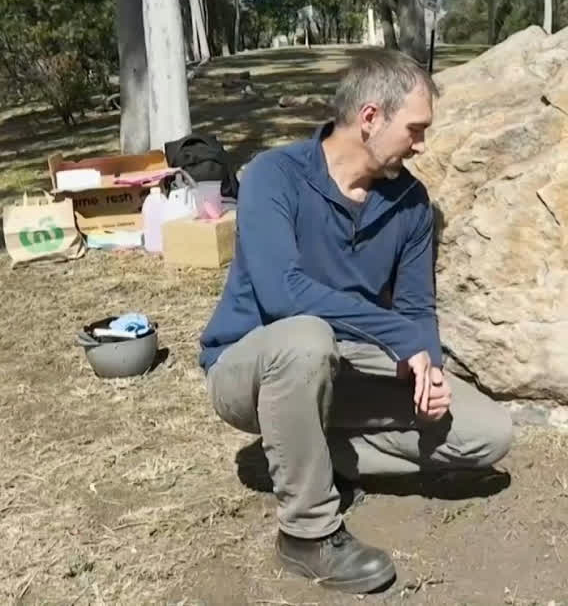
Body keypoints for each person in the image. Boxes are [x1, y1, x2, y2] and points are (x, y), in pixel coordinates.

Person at [197, 49, 513, 594]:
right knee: (306, 338)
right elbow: (282, 294)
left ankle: (312, 455)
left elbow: (416, 309)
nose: (421, 144)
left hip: (345, 365)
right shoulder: (275, 176)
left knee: (487, 435)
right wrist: (399, 338)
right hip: (253, 366)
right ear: (370, 118)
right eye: (414, 129)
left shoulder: (410, 203)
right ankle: (307, 533)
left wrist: (428, 368)